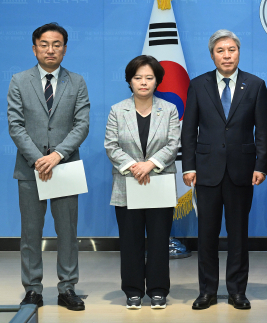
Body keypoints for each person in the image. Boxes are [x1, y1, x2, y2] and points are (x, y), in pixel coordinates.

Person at [182, 29, 267, 310]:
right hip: (206, 170)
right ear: (212, 55)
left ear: (238, 53)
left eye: (231, 49)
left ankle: (237, 291)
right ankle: (207, 290)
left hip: (242, 170)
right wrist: (188, 166)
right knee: (206, 236)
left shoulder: (255, 85)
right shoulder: (198, 85)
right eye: (221, 50)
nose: (227, 55)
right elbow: (188, 131)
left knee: (238, 236)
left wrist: (261, 164)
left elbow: (262, 130)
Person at [7, 22, 90, 311]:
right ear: (34, 48)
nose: (50, 49)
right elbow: (15, 125)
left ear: (65, 49)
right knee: (31, 233)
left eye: (57, 44)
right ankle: (32, 290)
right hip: (30, 169)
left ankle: (67, 288)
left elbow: (82, 126)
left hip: (65, 168)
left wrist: (57, 156)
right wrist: (38, 159)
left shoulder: (77, 82)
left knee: (68, 232)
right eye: (44, 44)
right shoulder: (19, 80)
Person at [104, 55, 180, 310]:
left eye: (149, 78)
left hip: (159, 182)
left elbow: (173, 144)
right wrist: (134, 167)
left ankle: (158, 290)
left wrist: (150, 164)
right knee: (131, 240)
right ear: (129, 81)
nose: (144, 83)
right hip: (127, 183)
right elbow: (111, 146)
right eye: (138, 78)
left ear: (157, 80)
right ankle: (133, 290)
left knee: (159, 240)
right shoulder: (117, 110)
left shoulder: (169, 109)